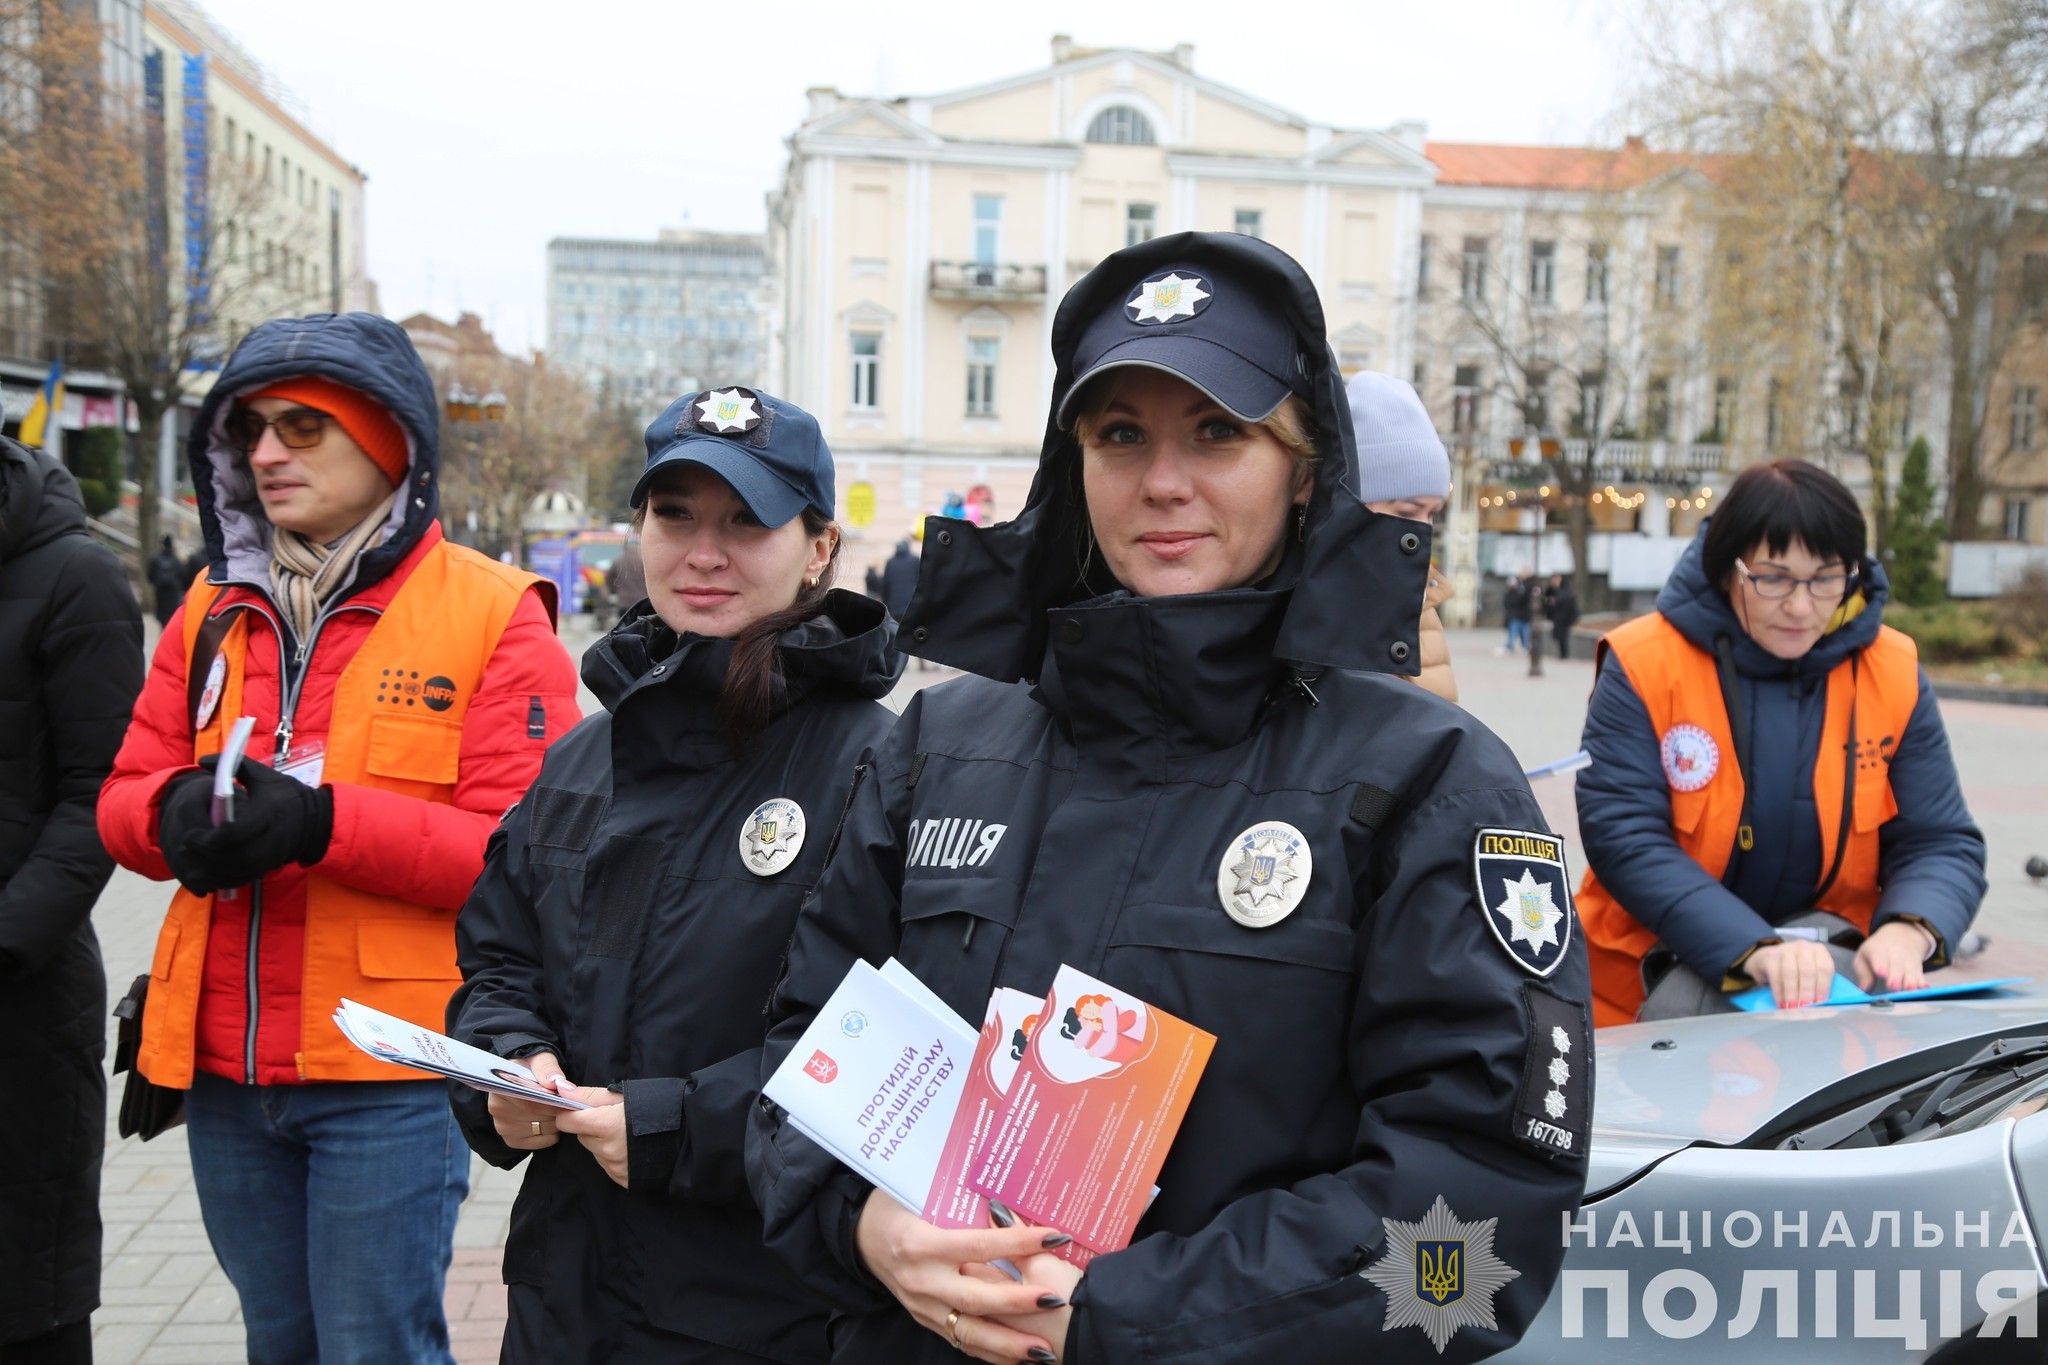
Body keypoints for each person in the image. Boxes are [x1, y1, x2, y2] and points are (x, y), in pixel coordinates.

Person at [748, 233, 1590, 1365]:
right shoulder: (939, 746)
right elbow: (800, 1057)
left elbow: (1478, 1247)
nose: (1161, 482)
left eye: (1218, 432)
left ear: (1304, 468)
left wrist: (1114, 1321)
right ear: (1073, 465)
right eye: (1119, 435)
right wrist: (863, 1225)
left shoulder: (1430, 780)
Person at [96, 312, 581, 1364]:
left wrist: (320, 823)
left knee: (375, 1348)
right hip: (223, 1067)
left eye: (304, 426)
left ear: (390, 438)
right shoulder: (210, 608)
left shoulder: (495, 613)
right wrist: (171, 817)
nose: (268, 452)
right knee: (280, 1343)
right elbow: (122, 797)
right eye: (251, 429)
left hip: (387, 1078)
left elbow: (523, 857)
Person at [447, 386, 900, 1363]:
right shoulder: (585, 756)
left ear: (818, 548)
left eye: (746, 522)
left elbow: (887, 1049)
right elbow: (498, 960)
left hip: (765, 1311)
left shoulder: (880, 768)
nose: (703, 553)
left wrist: (677, 1126)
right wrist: (506, 1067)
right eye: (676, 515)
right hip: (563, 1298)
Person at [1575, 459, 1986, 1026]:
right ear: (1728, 568)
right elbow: (1624, 836)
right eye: (1773, 578)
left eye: (1825, 579)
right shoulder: (1645, 662)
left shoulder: (1891, 670)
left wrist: (1910, 928)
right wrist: (1753, 949)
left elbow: (1940, 840)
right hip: (1640, 993)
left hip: (1832, 992)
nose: (1800, 606)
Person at [1, 437, 143, 1365]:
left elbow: (103, 791)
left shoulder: (74, 576)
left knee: (26, 1298)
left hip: (22, 1000)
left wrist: (8, 935)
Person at [1347, 371, 1457, 701]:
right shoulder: (1313, 607)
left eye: (1433, 514)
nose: (1423, 530)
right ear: (1352, 505)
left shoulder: (1423, 601)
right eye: (1409, 512)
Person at [148, 534, 186, 629]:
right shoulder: (176, 560)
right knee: (171, 614)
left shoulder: (156, 559)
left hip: (160, 591)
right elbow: (182, 575)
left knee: (162, 614)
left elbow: (150, 575)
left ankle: (163, 629)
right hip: (173, 592)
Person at [1545, 572, 1579, 660]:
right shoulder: (1554, 590)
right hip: (1558, 617)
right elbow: (1545, 598)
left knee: (1563, 637)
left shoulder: (1566, 590)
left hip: (1564, 617)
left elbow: (1566, 601)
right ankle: (1562, 654)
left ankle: (1564, 654)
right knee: (1560, 637)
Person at [1502, 569, 1533, 654]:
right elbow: (1508, 602)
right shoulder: (1516, 587)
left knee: (1525, 633)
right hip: (1516, 615)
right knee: (1514, 632)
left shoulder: (1527, 586)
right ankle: (1511, 645)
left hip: (1524, 615)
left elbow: (1526, 599)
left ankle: (1525, 647)